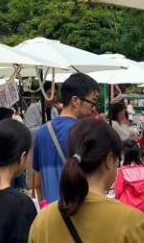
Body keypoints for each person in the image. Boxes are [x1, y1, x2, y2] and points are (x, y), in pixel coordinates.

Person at [31, 72, 99, 204]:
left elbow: (37, 183)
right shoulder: (84, 133)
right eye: (93, 101)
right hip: (77, 212)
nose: (93, 109)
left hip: (51, 214)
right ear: (75, 101)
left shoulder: (42, 132)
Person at [114, 140, 144, 218]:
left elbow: (118, 192)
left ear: (124, 155)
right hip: (143, 206)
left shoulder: (122, 171)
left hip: (127, 207)